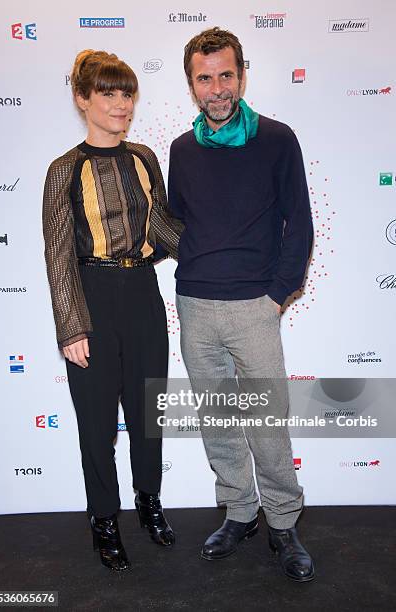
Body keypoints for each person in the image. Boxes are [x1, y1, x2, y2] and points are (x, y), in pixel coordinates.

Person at [168, 28, 315, 581]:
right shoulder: (182, 150)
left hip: (256, 304)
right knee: (219, 421)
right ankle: (239, 511)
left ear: (242, 75)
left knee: (267, 422)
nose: (217, 88)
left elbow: (298, 222)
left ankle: (282, 521)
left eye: (225, 75)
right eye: (205, 78)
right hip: (196, 304)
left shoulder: (278, 139)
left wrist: (278, 294)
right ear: (192, 85)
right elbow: (179, 222)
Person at [42, 50, 183, 571]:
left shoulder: (144, 157)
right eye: (107, 92)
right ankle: (104, 519)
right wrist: (71, 326)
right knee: (97, 424)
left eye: (127, 93)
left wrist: (214, 247)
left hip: (143, 294)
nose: (121, 104)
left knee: (148, 415)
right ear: (82, 99)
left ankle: (150, 504)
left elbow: (163, 229)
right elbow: (58, 253)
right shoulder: (64, 169)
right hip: (92, 297)